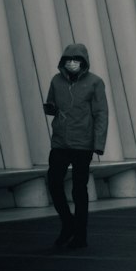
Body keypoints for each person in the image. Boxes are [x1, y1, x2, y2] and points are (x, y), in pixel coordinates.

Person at [43, 43, 109, 249]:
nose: (72, 63)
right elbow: (52, 104)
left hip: (83, 144)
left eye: (76, 60)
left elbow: (101, 114)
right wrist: (51, 109)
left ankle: (80, 235)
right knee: (54, 183)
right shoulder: (56, 81)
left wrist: (98, 143)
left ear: (84, 62)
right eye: (68, 60)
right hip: (60, 142)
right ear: (63, 62)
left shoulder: (95, 83)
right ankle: (68, 224)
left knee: (79, 190)